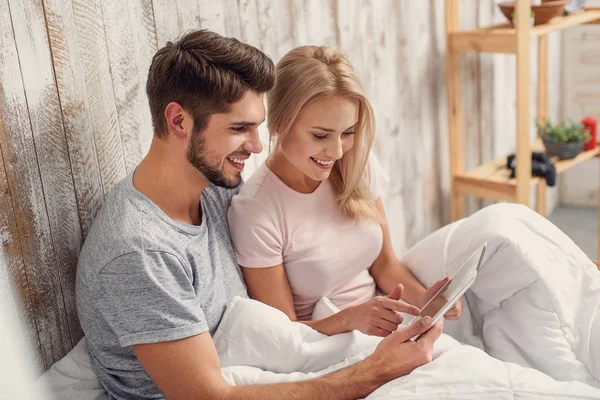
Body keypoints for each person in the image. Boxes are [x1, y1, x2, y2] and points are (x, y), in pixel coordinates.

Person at [75, 29, 443, 400]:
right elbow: (211, 397)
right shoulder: (140, 252)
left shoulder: (215, 188)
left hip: (265, 363)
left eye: (256, 126)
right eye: (239, 129)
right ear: (178, 121)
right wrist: (374, 371)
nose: (255, 146)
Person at [227, 46, 461, 338]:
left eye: (348, 132)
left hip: (386, 328)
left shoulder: (356, 165)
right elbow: (283, 335)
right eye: (320, 135)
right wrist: (350, 320)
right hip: (329, 348)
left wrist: (428, 302)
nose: (336, 151)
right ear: (277, 123)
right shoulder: (256, 211)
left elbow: (386, 265)